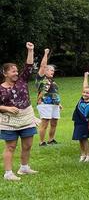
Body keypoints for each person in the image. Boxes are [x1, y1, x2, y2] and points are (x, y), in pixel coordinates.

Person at [0, 42, 39, 181]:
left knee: (27, 144)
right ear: (5, 73)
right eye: (13, 71)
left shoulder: (22, 81)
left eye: (17, 71)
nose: (16, 73)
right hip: (9, 120)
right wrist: (6, 108)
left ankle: (24, 167)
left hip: (26, 117)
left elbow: (28, 66)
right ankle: (8, 173)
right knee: (10, 146)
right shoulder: (1, 88)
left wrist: (30, 50)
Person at [36, 48, 62, 146]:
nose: (53, 71)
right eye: (50, 70)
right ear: (45, 71)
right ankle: (42, 142)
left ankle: (51, 140)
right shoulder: (41, 78)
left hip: (54, 104)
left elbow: (54, 93)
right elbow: (43, 65)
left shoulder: (52, 81)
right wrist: (46, 53)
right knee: (45, 123)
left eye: (53, 70)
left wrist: (59, 103)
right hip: (44, 103)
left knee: (54, 122)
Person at [72, 74, 89, 162]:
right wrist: (86, 76)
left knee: (84, 139)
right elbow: (85, 86)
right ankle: (83, 154)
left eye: (87, 93)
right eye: (84, 92)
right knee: (80, 139)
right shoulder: (81, 99)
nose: (85, 94)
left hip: (84, 123)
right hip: (77, 122)